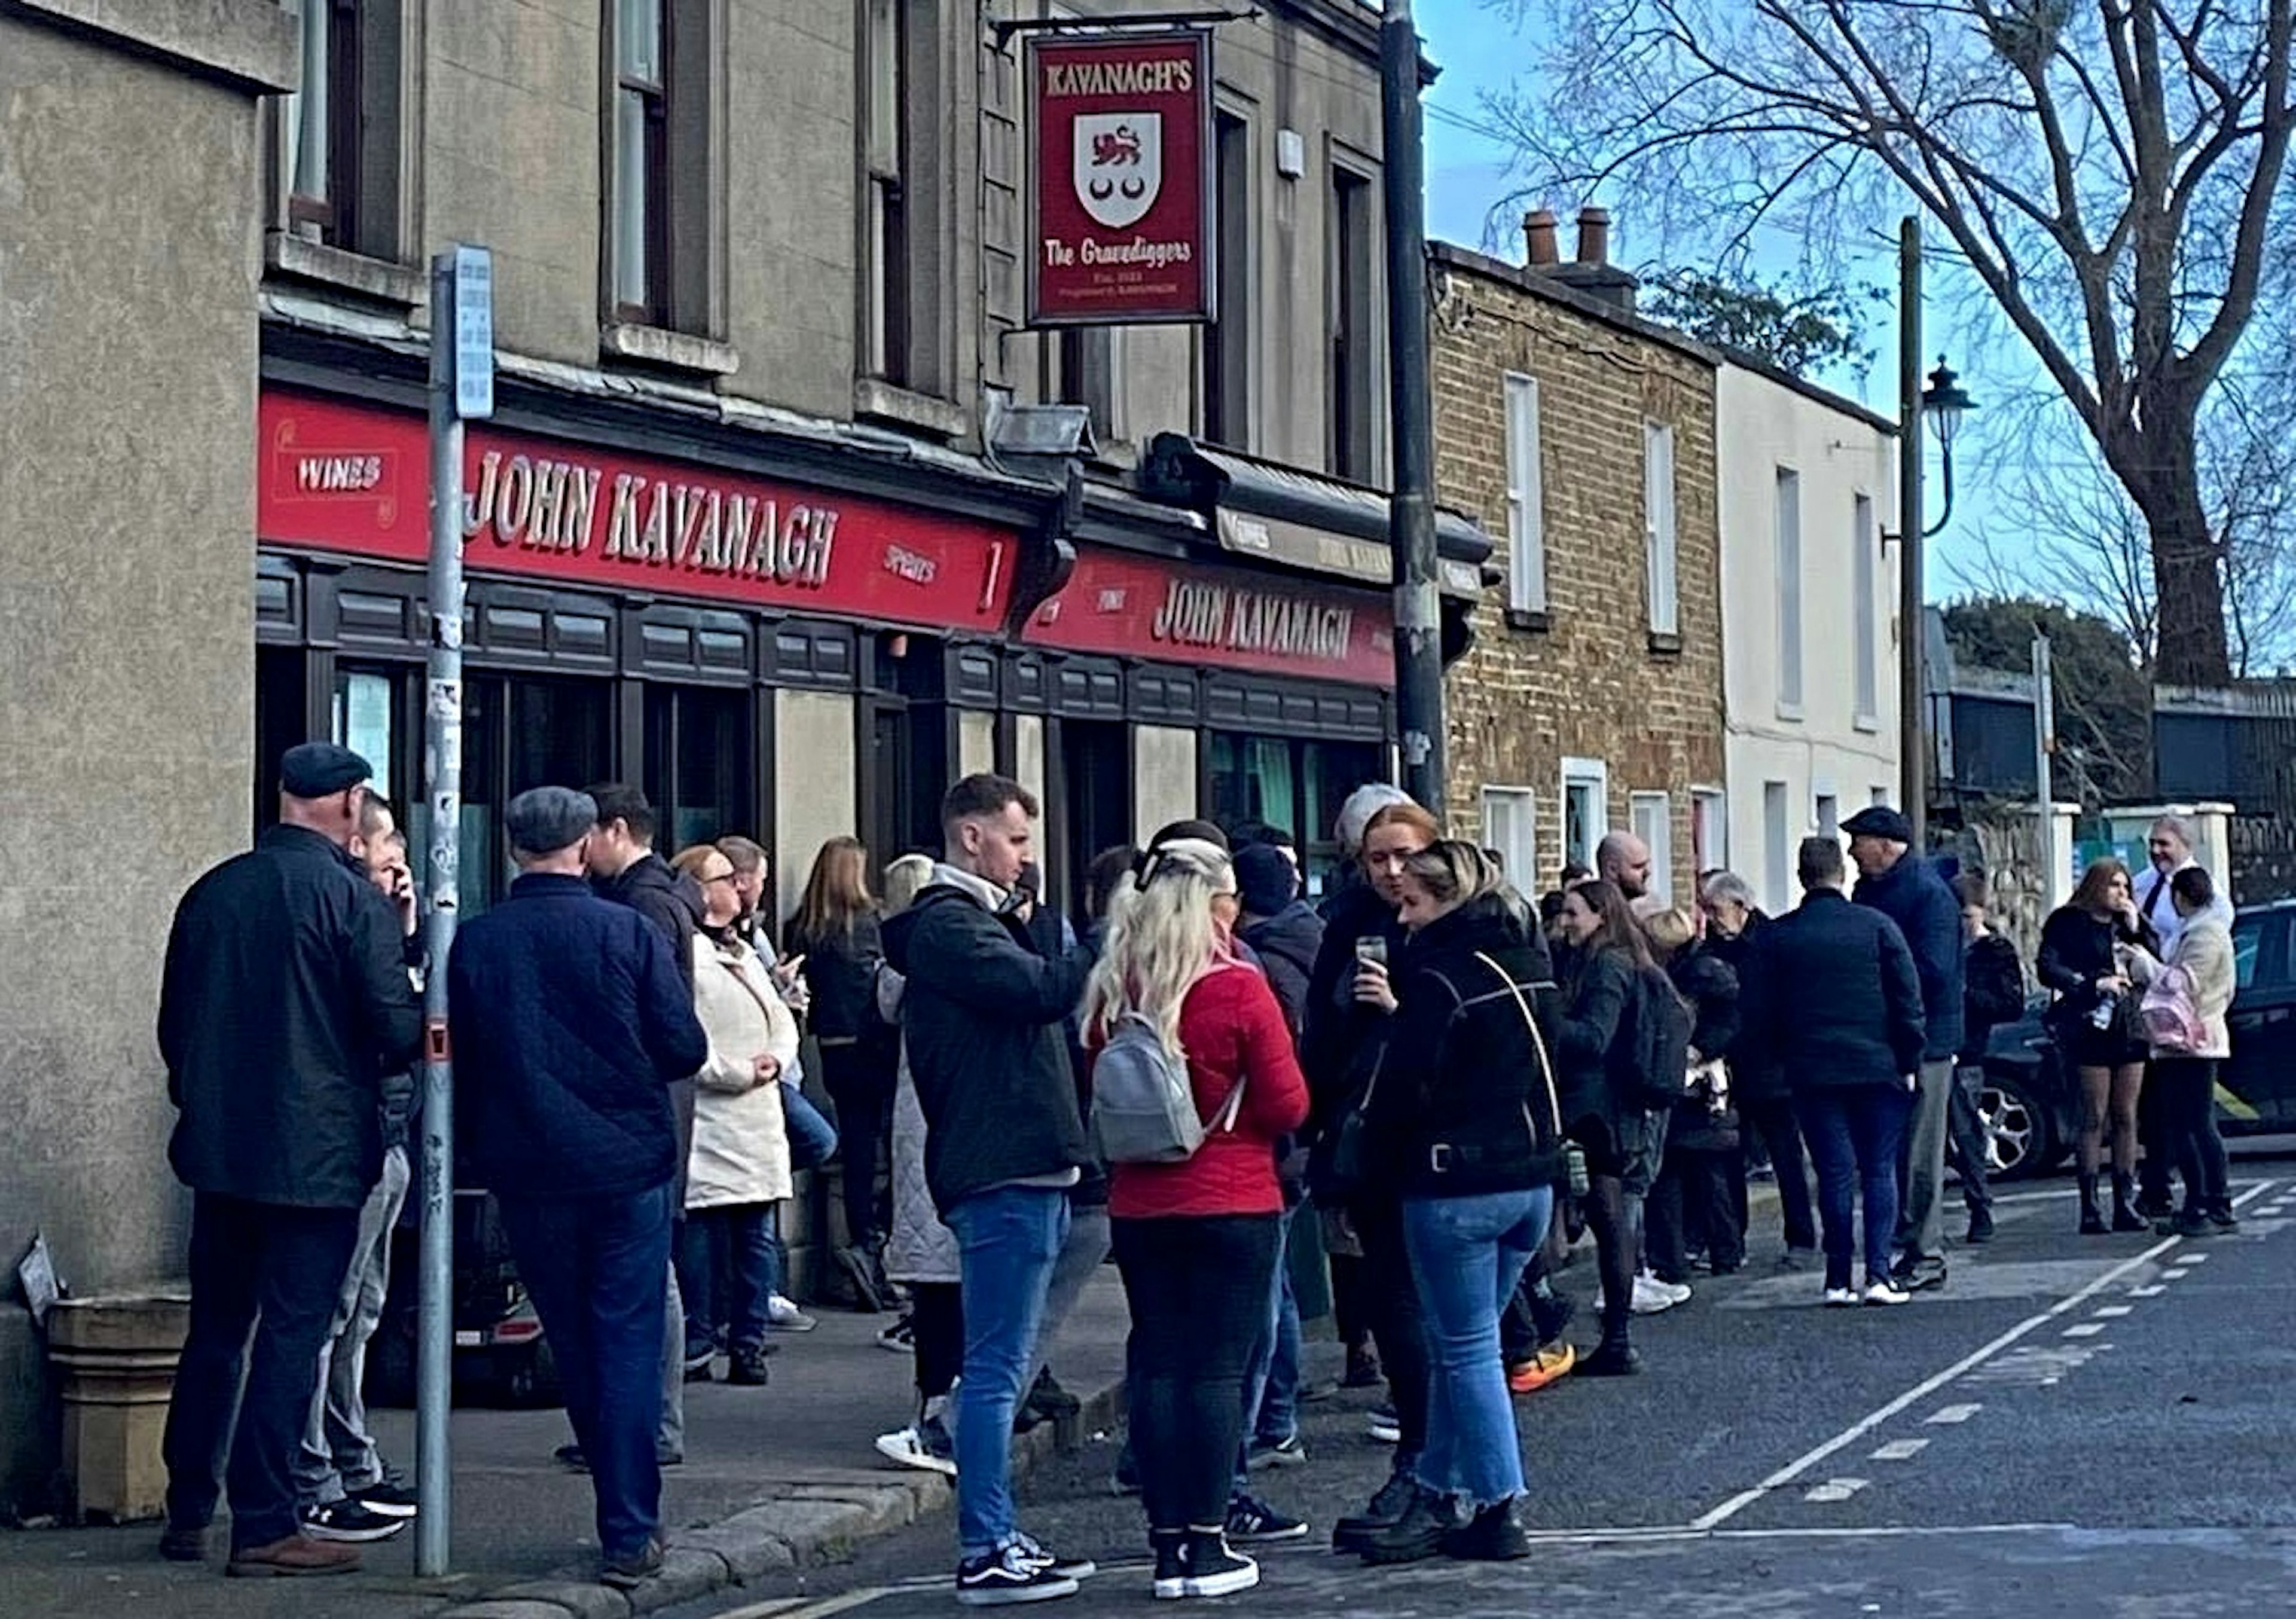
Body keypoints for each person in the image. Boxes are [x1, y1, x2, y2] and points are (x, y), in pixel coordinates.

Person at [157, 743, 424, 1577]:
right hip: (317, 1158)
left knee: (216, 1332)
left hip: (221, 1151)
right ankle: (267, 1522)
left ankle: (189, 1507)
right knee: (293, 1335)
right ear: (350, 806)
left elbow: (175, 1026)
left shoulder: (213, 892)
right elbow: (393, 1030)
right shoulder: (350, 901)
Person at [450, 787, 708, 1590]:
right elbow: (682, 1046)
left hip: (529, 1168)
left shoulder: (479, 943)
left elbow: (464, 1060)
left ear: (511, 843)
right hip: (626, 1163)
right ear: (587, 842)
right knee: (625, 1335)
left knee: (573, 1336)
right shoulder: (626, 931)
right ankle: (629, 1526)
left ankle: (625, 1514)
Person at [880, 774, 1098, 1605]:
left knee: (1004, 1363)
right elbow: (1042, 989)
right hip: (999, 1165)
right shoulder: (947, 927)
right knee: (996, 1368)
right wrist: (1118, 935)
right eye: (1015, 841)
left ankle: (1000, 1532)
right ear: (970, 837)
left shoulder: (983, 923)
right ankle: (984, 1544)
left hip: (1027, 1160)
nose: (1025, 860)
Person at [1086, 837, 1310, 1599]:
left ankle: (1166, 1541)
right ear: (1215, 904)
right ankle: (1208, 1544)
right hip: (1234, 1196)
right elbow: (1289, 1104)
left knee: (1157, 1364)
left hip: (1142, 1203)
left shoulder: (1116, 984)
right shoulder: (1239, 988)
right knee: (1216, 1370)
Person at [1347, 842, 1564, 1566]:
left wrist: (1365, 1176)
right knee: (1456, 1346)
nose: (1402, 917)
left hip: (1456, 1183)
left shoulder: (1437, 979)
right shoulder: (1531, 966)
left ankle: (1500, 1504)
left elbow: (1402, 1092)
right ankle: (1439, 1486)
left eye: (1411, 903)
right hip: (1530, 1179)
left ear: (1445, 901)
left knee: (1468, 1350)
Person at [1314, 799, 1443, 1552]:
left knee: (1450, 1318)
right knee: (1388, 1297)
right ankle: (1419, 1458)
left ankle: (1442, 1469)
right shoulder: (1348, 923)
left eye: (1403, 855)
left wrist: (1399, 1009)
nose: (1391, 872)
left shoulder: (1456, 925)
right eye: (1377, 858)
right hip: (1366, 1136)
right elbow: (1321, 1032)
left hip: (1442, 1144)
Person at [294, 804, 423, 1544]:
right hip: (356, 1144)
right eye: (386, 859)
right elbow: (389, 1026)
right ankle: (317, 1469)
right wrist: (390, 928)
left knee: (363, 1311)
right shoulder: (347, 924)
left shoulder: (379, 924)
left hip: (392, 1138)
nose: (397, 874)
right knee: (331, 1311)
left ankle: (353, 1456)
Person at [577, 783, 703, 1464]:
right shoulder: (659, 896)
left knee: (650, 1276)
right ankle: (640, 1420)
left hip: (643, 1104)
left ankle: (654, 1423)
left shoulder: (644, 904)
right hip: (658, 1102)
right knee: (648, 1272)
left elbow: (650, 1012)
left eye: (588, 834)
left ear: (616, 830)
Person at [1747, 837, 1926, 1306]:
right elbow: (1907, 1000)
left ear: (1801, 875)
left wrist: (1784, 1058)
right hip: (1878, 1065)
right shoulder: (1877, 927)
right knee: (1879, 1169)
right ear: (1841, 874)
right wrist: (1909, 1058)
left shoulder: (1780, 937)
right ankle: (1881, 1274)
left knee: (1834, 1173)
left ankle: (1838, 1277)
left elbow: (1760, 1011)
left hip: (1812, 1070)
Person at [671, 844, 800, 1388]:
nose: (739, 888)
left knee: (755, 1238)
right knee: (702, 1238)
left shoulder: (746, 952)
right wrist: (739, 1071)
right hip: (715, 1113)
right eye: (725, 878)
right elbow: (686, 1039)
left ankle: (748, 1344)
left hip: (758, 1115)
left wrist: (777, 1058)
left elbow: (782, 1020)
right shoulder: (690, 956)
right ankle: (699, 1342)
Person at [1842, 805, 1963, 1294]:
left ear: (1888, 845)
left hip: (1927, 1040)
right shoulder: (1870, 890)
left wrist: (1875, 979)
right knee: (1888, 1148)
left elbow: (1934, 970)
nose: (1852, 850)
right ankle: (1903, 1240)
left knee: (1919, 1151)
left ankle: (1926, 1250)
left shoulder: (1928, 895)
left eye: (1860, 841)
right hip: (1883, 1036)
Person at [1549, 879, 1663, 1373]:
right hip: (1602, 1109)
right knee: (1610, 1220)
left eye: (1574, 913)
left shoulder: (1609, 965)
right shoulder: (1600, 960)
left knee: (1611, 1220)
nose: (1565, 923)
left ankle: (1618, 1339)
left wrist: (1543, 1018)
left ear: (1600, 915)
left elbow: (1594, 1037)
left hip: (1602, 1112)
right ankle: (1616, 1338)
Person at [874, 854, 963, 1476]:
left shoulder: (897, 973)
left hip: (919, 1124)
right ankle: (941, 1408)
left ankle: (935, 1397)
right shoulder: (936, 966)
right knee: (948, 1280)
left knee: (937, 1278)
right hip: (944, 1124)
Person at [787, 836, 902, 1313]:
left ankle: (860, 1236)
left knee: (855, 1147)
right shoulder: (872, 921)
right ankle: (878, 1239)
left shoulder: (804, 927)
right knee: (895, 1145)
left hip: (833, 1049)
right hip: (875, 1045)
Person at [1700, 871, 1816, 1267]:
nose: (1711, 917)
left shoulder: (1772, 943)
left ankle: (1800, 1237)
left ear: (1741, 907)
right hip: (1731, 1071)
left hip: (1774, 1069)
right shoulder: (1711, 950)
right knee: (1732, 1159)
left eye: (1716, 909)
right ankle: (1734, 1242)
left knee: (1786, 1158)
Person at [2038, 858, 2160, 1235]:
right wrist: (2091, 983)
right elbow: (2048, 966)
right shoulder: (2068, 922)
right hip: (2089, 1025)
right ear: (2097, 887)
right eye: (2114, 887)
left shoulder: (2129, 923)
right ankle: (2090, 1205)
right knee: (2094, 1114)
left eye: (2125, 887)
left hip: (2129, 1025)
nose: (2121, 894)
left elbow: (2156, 958)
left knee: (2126, 1114)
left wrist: (2137, 926)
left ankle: (2125, 1198)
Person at [2124, 866, 2240, 1236]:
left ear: (2181, 896)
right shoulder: (2200, 931)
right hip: (2192, 1041)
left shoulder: (2205, 934)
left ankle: (2204, 1204)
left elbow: (2183, 984)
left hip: (2192, 1043)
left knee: (2191, 1126)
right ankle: (2211, 1202)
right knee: (2195, 1124)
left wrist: (2145, 966)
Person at [1643, 908, 1744, 1283]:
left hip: (1690, 1086)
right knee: (1710, 1177)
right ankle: (1724, 1250)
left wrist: (1692, 1052)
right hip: (1710, 1089)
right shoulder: (1709, 971)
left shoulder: (1686, 979)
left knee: (1673, 1176)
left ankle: (1675, 1256)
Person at [1953, 875, 2024, 1245]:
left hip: (1971, 1050)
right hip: (1940, 1049)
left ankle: (1980, 1207)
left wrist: (1969, 995)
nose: (1962, 924)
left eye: (1968, 915)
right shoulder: (1942, 948)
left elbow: (2011, 1004)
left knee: (1968, 1135)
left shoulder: (1994, 952)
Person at [1595, 832, 1653, 902]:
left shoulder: (1650, 907)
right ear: (1612, 870)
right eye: (1638, 867)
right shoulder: (1593, 910)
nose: (1647, 873)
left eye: (1647, 865)